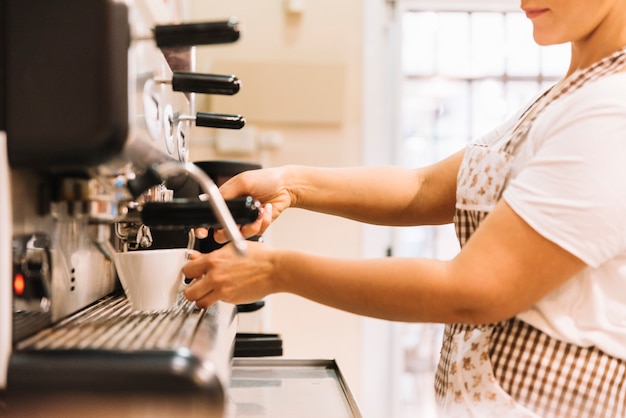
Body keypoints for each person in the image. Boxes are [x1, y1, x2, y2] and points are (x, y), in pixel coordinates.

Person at [182, 0, 626, 416]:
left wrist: (276, 271)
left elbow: (472, 291)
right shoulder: (569, 96)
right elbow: (423, 188)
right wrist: (292, 184)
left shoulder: (611, 110)